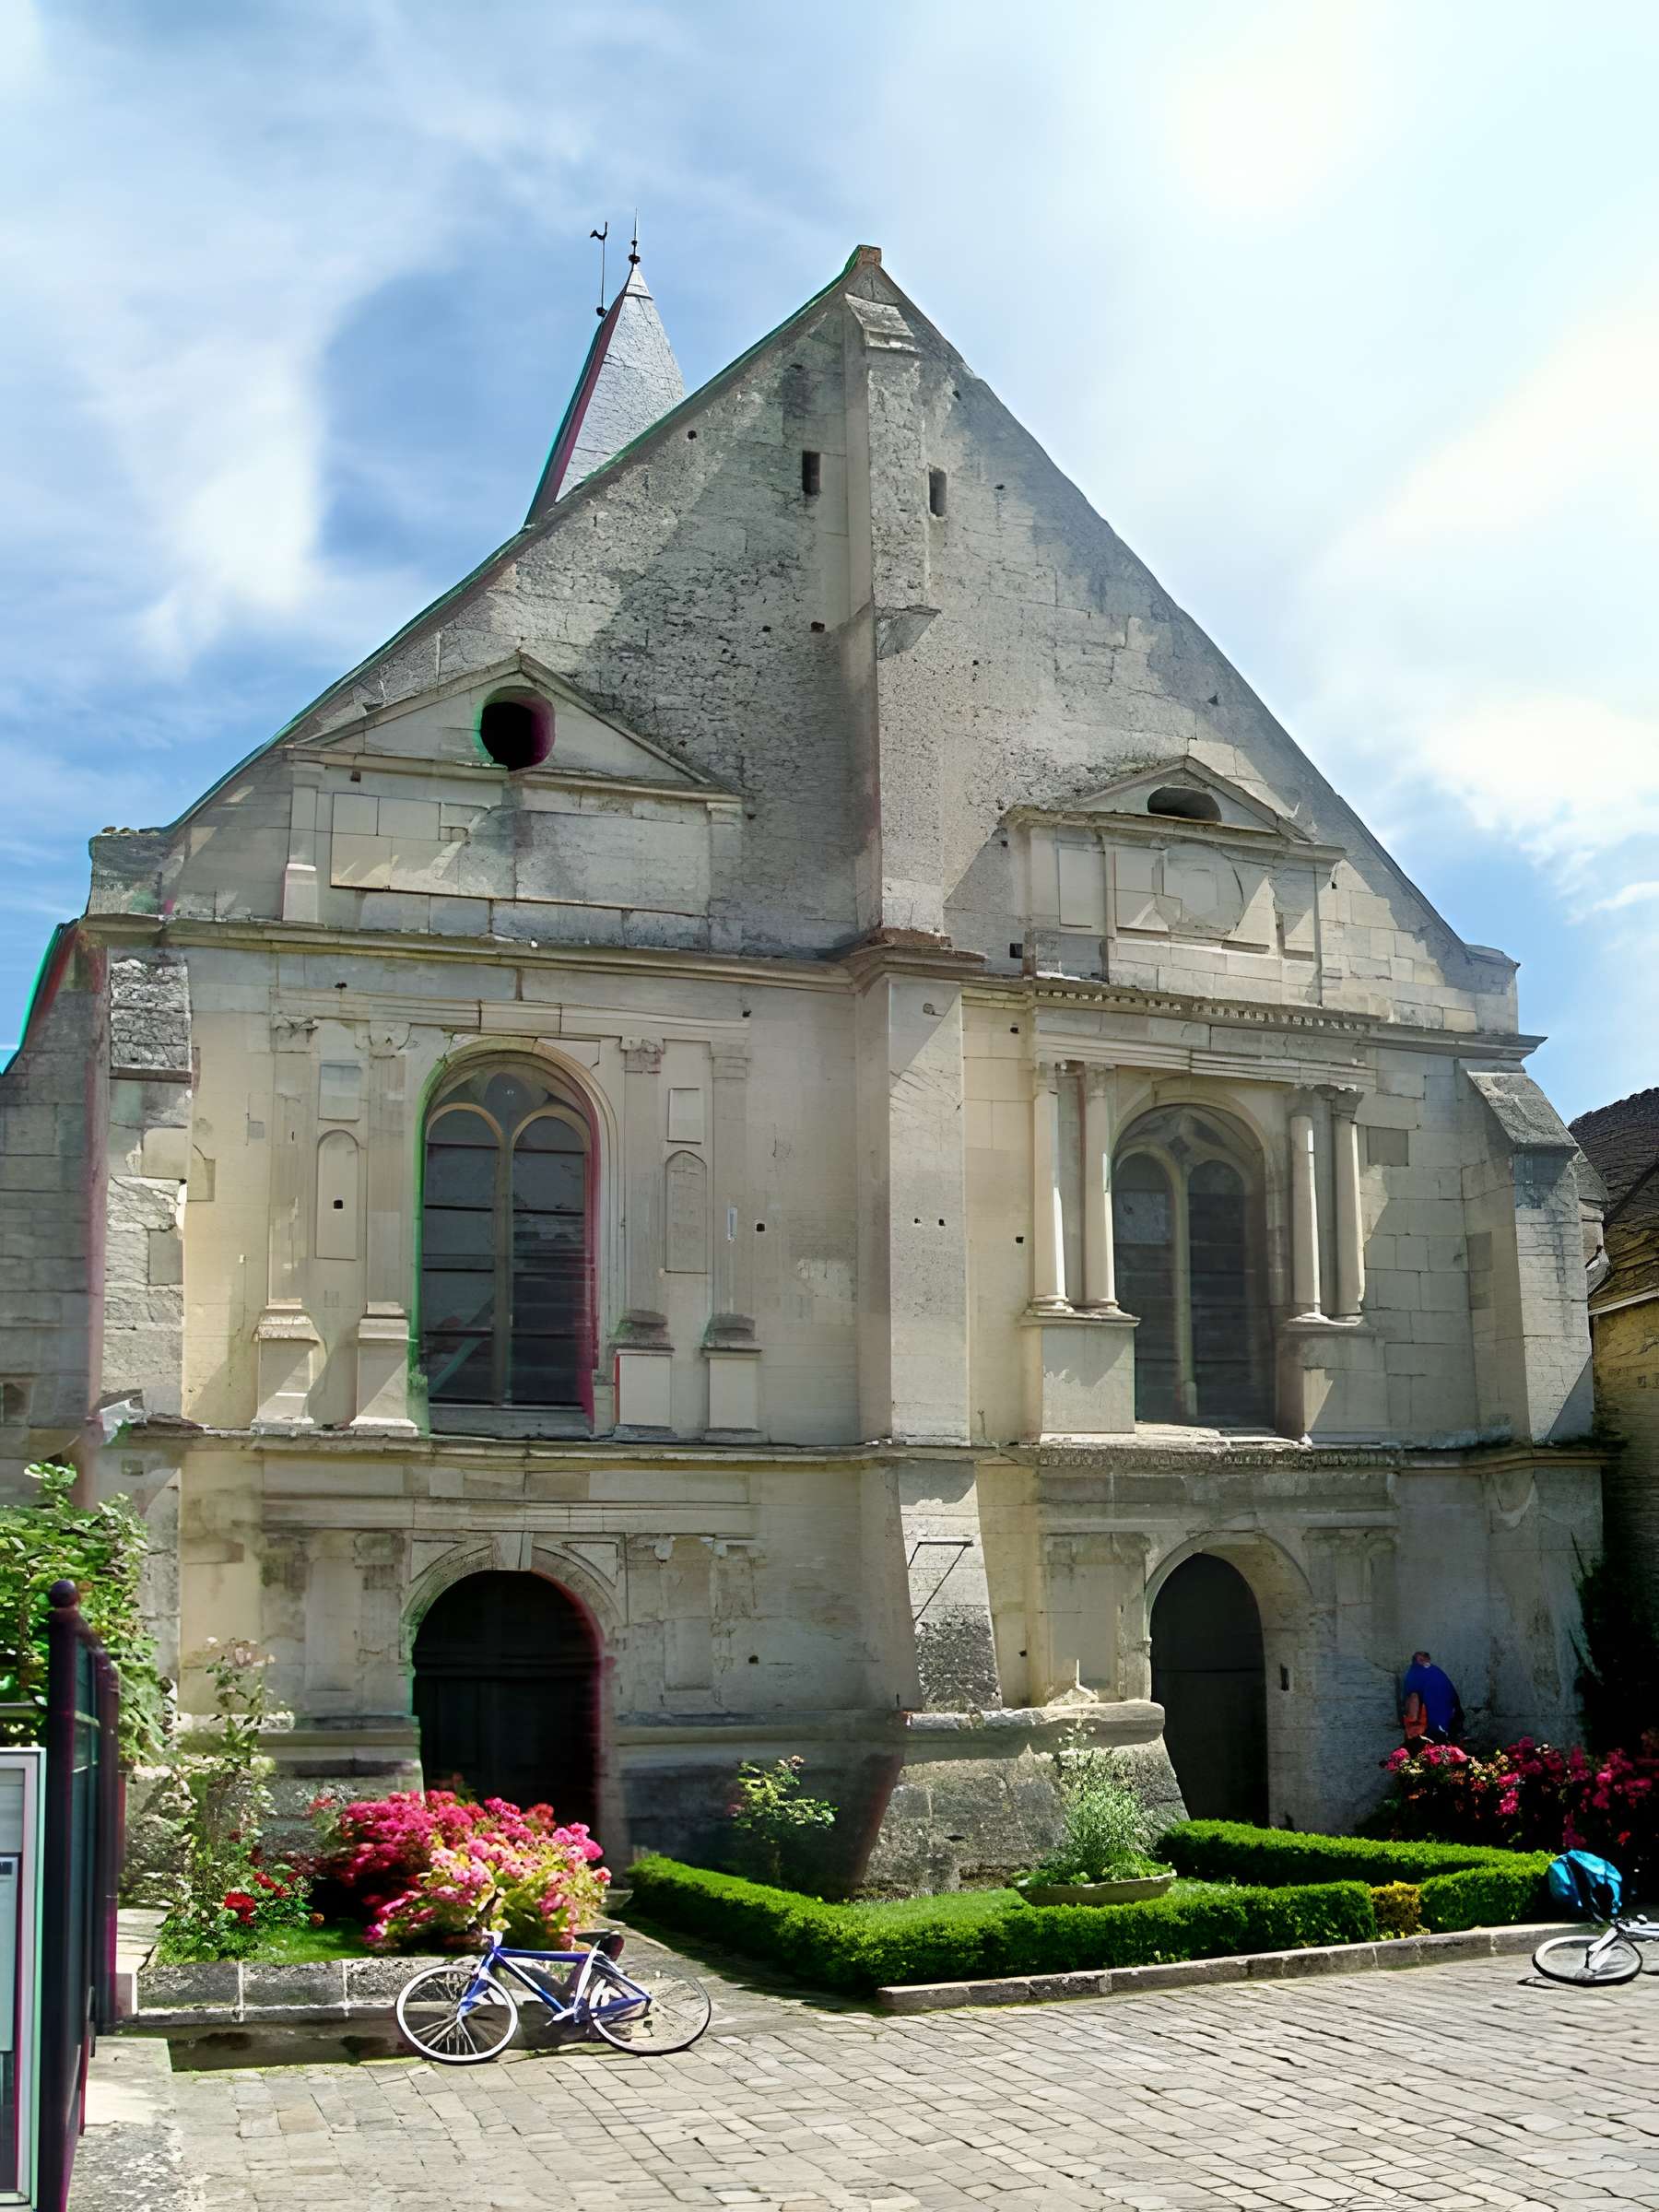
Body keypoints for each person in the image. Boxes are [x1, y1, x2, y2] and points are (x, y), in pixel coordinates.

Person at [1400, 1650, 1463, 1747]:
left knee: (1430, 1753)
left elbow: (1414, 1700)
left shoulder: (1414, 1672)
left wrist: (1410, 1725)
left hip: (1431, 1727)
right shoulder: (1437, 1671)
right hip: (1452, 1720)